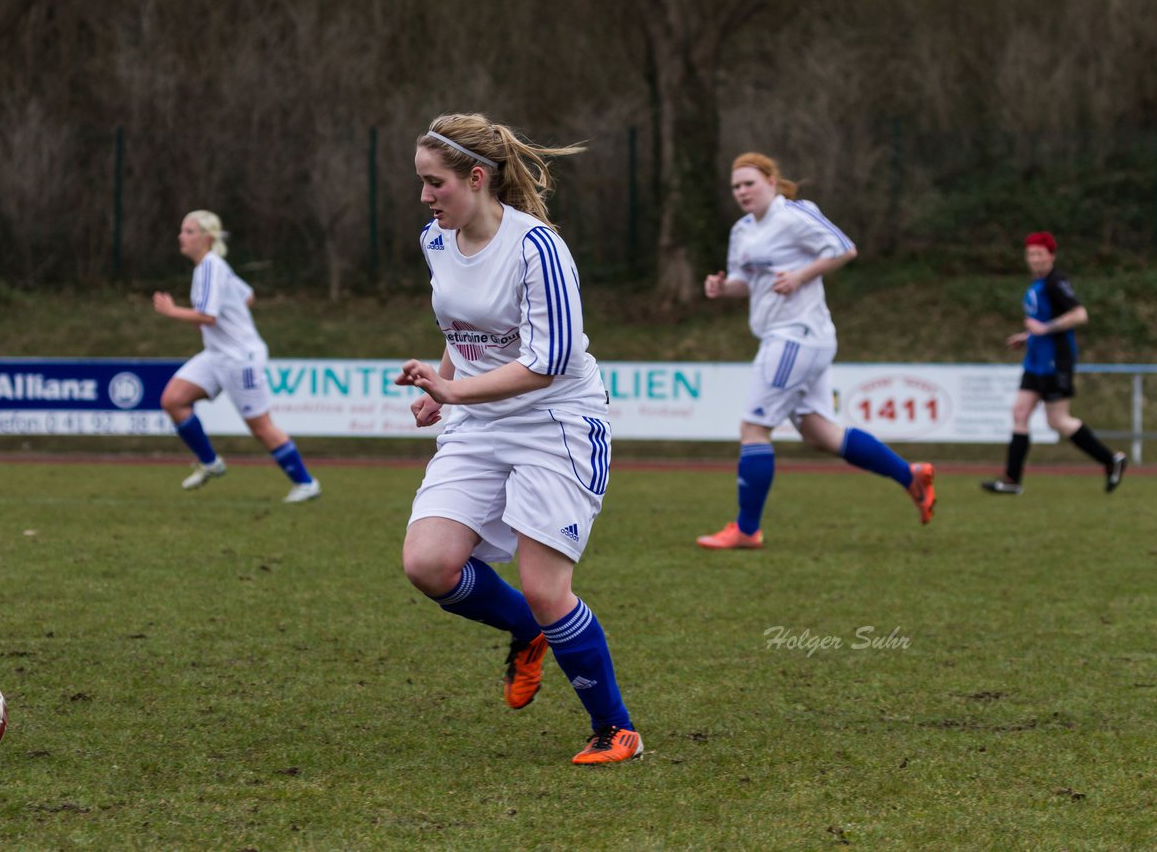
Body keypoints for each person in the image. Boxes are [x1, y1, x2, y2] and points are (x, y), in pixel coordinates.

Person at [395, 114, 641, 765]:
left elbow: (550, 360)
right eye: (421, 183)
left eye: (435, 182)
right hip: (479, 423)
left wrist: (453, 394)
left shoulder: (537, 248)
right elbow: (460, 326)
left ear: (476, 178)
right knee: (429, 563)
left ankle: (616, 729)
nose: (425, 197)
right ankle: (527, 634)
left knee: (544, 586)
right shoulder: (437, 241)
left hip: (554, 424)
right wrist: (441, 384)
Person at [697, 152, 935, 550]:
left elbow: (844, 248)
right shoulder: (742, 230)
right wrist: (723, 288)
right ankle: (910, 476)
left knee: (754, 427)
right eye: (736, 186)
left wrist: (801, 275)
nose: (741, 192)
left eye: (749, 183)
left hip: (797, 335)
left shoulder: (794, 215)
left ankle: (747, 529)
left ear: (771, 181)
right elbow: (745, 282)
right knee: (819, 432)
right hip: (786, 336)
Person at [152, 210, 320, 504]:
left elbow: (207, 316)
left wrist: (171, 311)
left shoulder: (210, 267)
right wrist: (231, 313)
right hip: (216, 354)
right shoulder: (214, 267)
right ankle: (210, 463)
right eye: (183, 230)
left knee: (260, 426)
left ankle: (306, 483)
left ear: (206, 238)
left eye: (189, 231)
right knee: (173, 400)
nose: (182, 236)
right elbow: (247, 295)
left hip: (239, 358)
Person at [981, 232, 1125, 495]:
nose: (1034, 259)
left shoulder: (1056, 282)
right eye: (1030, 254)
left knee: (1057, 420)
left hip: (1055, 362)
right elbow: (1040, 324)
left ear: (1051, 256)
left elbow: (1080, 314)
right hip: (1035, 360)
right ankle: (1012, 480)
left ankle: (1111, 460)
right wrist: (1027, 337)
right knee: (1020, 413)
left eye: (1040, 254)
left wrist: (1044, 329)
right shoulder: (1037, 284)